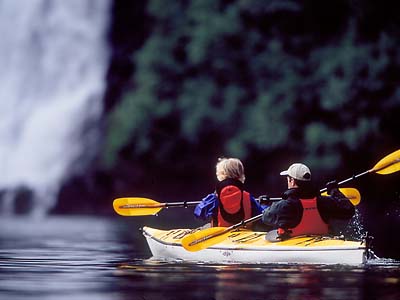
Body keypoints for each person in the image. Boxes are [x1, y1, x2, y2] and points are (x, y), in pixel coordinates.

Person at [262, 163, 355, 239]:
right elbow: (349, 210)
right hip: (322, 242)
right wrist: (335, 191)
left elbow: (265, 218)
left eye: (288, 179)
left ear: (292, 181)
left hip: (295, 246)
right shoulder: (324, 202)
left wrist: (264, 205)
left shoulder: (284, 206)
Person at [194, 157, 264, 228]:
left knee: (205, 226)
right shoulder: (248, 197)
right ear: (241, 175)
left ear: (221, 176)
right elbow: (263, 216)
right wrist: (264, 205)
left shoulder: (214, 198)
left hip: (220, 235)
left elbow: (199, 214)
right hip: (244, 234)